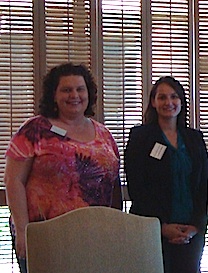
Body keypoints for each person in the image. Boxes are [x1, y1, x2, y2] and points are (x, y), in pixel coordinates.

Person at [4, 63, 123, 273]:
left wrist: (115, 230)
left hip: (94, 236)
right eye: (66, 90)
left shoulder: (104, 134)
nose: (74, 95)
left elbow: (113, 186)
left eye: (80, 89)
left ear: (89, 93)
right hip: (44, 236)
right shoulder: (34, 130)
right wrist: (22, 230)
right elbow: (14, 181)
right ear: (54, 95)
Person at [125, 76, 208, 273]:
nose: (168, 102)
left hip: (191, 233)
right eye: (162, 97)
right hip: (152, 232)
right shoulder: (140, 138)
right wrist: (161, 227)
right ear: (153, 102)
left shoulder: (195, 139)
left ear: (181, 102)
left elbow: (205, 185)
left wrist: (196, 226)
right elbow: (137, 188)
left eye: (174, 97)